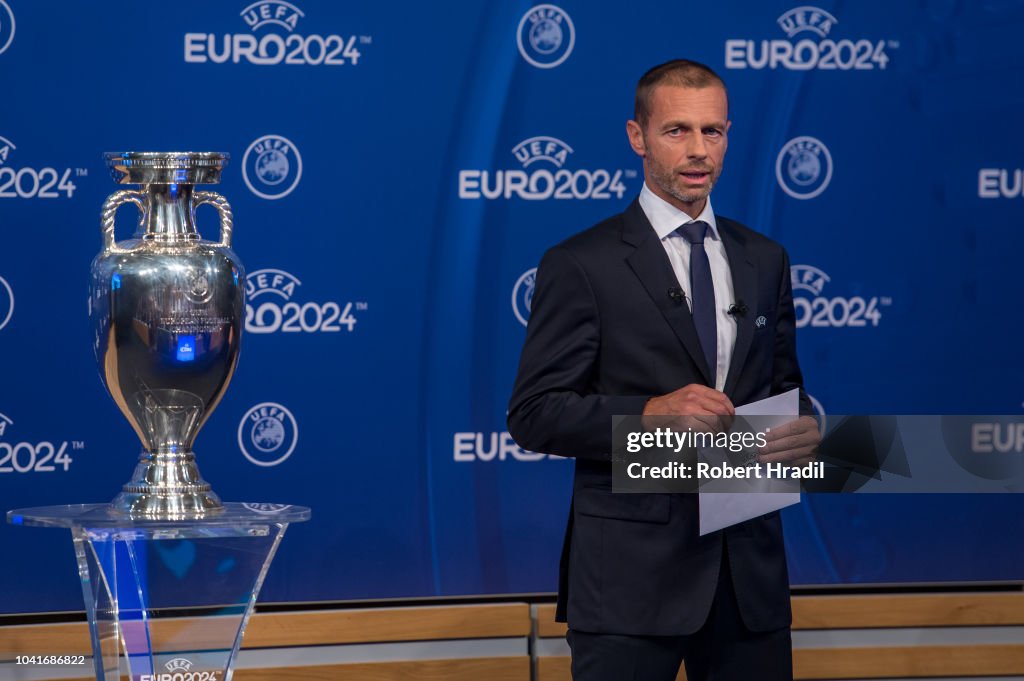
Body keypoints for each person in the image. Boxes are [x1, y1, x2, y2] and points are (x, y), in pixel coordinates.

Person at [507, 60, 820, 681]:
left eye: (713, 131)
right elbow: (535, 414)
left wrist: (810, 426)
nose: (699, 150)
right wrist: (648, 414)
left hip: (747, 580)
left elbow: (785, 389)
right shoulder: (582, 264)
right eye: (677, 131)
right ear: (637, 136)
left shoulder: (765, 258)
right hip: (629, 583)